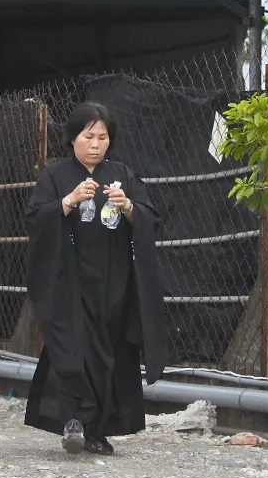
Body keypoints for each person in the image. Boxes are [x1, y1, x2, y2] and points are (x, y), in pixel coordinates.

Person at [23, 102, 167, 455]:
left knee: (110, 352)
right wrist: (68, 201)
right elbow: (36, 219)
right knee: (71, 346)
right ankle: (73, 419)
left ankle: (98, 429)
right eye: (88, 136)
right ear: (73, 138)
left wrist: (129, 206)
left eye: (102, 137)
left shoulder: (122, 174)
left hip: (112, 281)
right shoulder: (55, 175)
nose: (96, 144)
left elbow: (151, 217)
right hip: (68, 280)